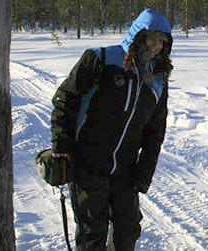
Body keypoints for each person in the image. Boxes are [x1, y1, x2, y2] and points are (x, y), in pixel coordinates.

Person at [50, 8, 172, 250]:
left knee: (127, 232)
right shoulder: (101, 59)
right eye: (152, 38)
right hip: (88, 164)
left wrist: (145, 170)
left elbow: (155, 131)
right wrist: (61, 146)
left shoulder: (157, 80)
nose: (157, 46)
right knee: (91, 233)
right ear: (138, 35)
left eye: (162, 41)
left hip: (126, 170)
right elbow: (66, 99)